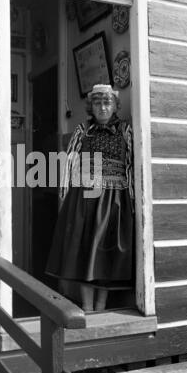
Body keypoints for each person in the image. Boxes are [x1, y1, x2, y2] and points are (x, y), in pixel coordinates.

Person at [45, 84, 134, 312]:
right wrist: (65, 199)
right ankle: (87, 308)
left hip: (114, 199)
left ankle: (101, 308)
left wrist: (132, 202)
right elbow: (69, 164)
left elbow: (132, 167)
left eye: (107, 103)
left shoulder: (126, 130)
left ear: (115, 105)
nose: (103, 108)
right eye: (97, 103)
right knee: (85, 254)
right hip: (84, 199)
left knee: (105, 255)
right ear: (91, 106)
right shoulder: (82, 130)